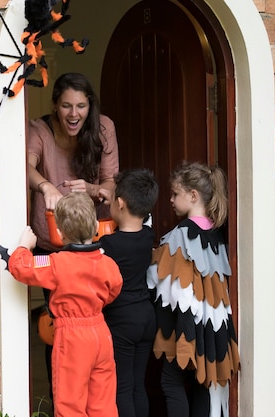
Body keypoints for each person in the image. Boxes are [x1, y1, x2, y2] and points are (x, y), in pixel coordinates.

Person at [8, 192, 123, 417]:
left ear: (59, 232)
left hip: (73, 337)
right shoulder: (108, 263)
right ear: (95, 227)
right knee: (103, 404)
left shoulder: (55, 263)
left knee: (70, 404)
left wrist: (24, 245)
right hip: (101, 332)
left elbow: (20, 267)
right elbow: (114, 289)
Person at [146, 161, 240, 417]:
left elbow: (157, 278)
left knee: (170, 380)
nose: (171, 200)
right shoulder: (217, 234)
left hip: (186, 326)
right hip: (213, 326)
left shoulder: (181, 235)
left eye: (175, 194)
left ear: (193, 195)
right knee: (203, 382)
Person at [27, 72, 119, 253]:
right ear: (55, 105)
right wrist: (47, 187)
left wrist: (91, 189)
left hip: (94, 236)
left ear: (90, 106)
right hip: (52, 237)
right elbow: (25, 168)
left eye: (81, 106)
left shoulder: (104, 127)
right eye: (66, 106)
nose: (74, 114)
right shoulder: (39, 129)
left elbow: (111, 182)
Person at [99, 169, 158, 417]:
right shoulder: (148, 235)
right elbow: (145, 215)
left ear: (120, 204)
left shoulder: (109, 245)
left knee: (122, 387)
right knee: (137, 385)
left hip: (122, 321)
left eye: (112, 200)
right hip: (146, 317)